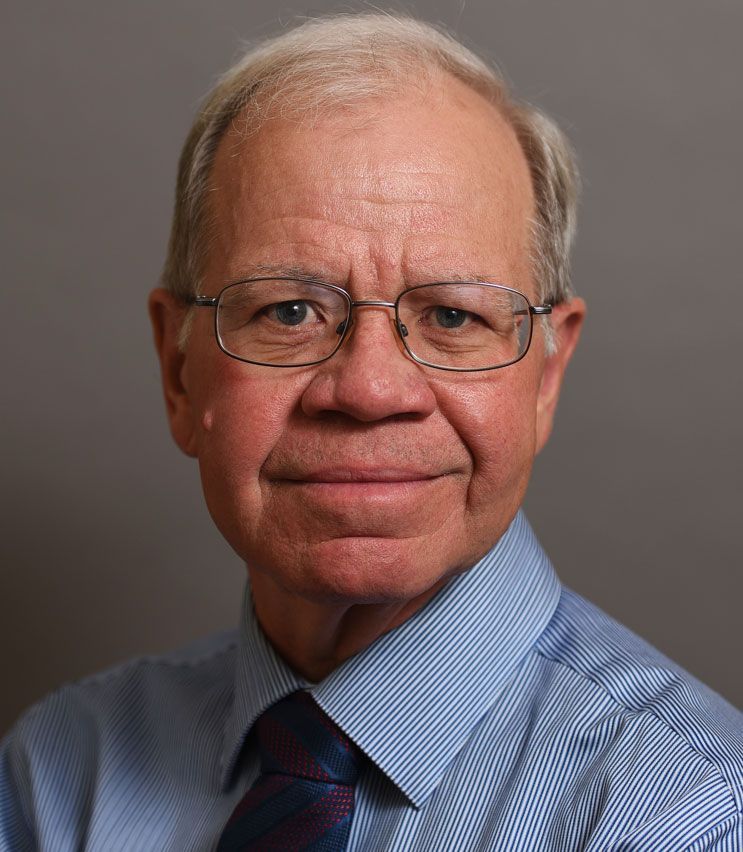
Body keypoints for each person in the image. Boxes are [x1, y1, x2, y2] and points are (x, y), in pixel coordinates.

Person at [1, 12, 741, 851]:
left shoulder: (687, 812)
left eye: (453, 316)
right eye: (288, 310)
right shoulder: (58, 779)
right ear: (179, 372)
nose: (368, 388)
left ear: (546, 376)